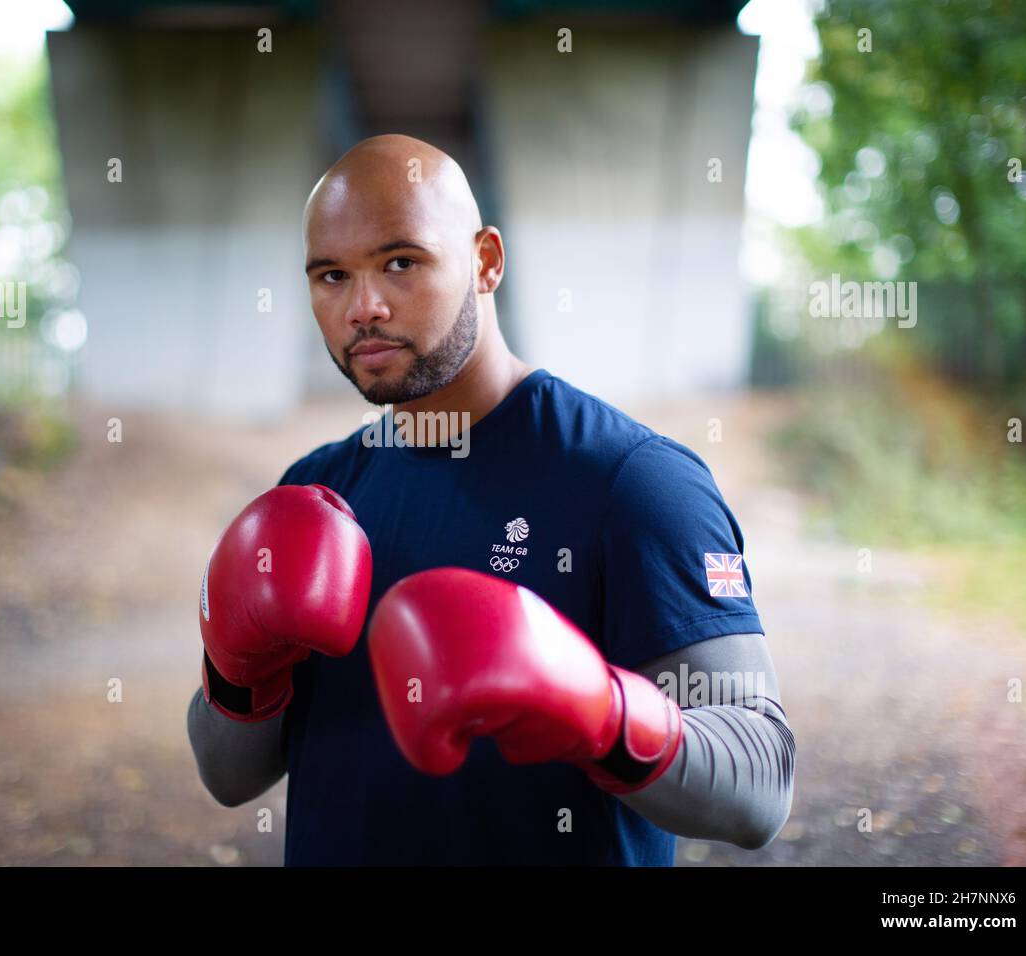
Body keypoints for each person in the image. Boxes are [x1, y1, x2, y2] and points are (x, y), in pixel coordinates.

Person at [187, 134, 795, 866]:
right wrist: (237, 667)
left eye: (400, 262)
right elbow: (229, 777)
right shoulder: (314, 494)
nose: (363, 307)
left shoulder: (634, 482)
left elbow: (760, 789)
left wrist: (600, 710)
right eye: (331, 276)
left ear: (485, 262)